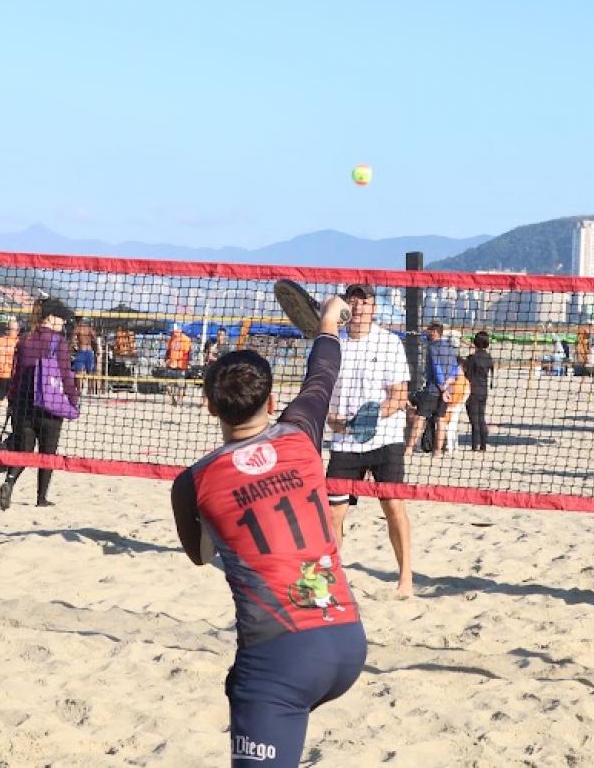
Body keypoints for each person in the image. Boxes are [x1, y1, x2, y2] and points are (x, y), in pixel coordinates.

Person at [170, 295, 364, 768]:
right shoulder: (299, 434)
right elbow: (322, 373)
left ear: (208, 404)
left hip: (283, 655)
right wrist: (328, 321)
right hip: (346, 637)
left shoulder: (193, 482)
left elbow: (200, 555)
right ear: (273, 401)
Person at [325, 283, 414, 598]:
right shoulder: (332, 344)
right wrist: (332, 418)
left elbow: (399, 396)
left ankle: (405, 580)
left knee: (393, 506)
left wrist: (371, 417)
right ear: (346, 306)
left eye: (365, 301)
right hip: (344, 442)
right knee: (333, 513)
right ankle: (334, 578)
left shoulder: (389, 343)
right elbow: (322, 392)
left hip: (385, 439)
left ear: (374, 307)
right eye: (354, 300)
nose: (359, 306)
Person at [0, 299, 78, 510]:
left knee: (24, 451)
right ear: (50, 317)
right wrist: (73, 401)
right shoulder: (58, 342)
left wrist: (12, 401)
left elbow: (16, 376)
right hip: (49, 406)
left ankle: (9, 481)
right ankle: (41, 498)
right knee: (47, 453)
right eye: (61, 317)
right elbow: (66, 376)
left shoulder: (24, 340)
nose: (64, 321)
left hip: (23, 404)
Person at [406, 322, 458, 457]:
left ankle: (409, 449)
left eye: (430, 332)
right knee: (440, 420)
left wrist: (442, 386)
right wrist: (448, 385)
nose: (428, 334)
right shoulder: (452, 349)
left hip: (434, 389)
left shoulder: (432, 348)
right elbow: (455, 369)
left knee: (420, 417)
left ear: (435, 333)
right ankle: (438, 451)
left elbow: (436, 368)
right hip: (448, 390)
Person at [464, 330, 494, 452]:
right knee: (481, 418)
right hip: (484, 390)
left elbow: (468, 375)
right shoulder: (488, 357)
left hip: (473, 390)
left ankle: (474, 445)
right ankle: (483, 445)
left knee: (474, 419)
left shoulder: (473, 358)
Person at [163, 323, 194, 406]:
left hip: (181, 366)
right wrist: (165, 360)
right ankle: (173, 400)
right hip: (171, 365)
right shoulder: (171, 339)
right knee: (168, 385)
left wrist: (188, 363)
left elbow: (188, 353)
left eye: (174, 332)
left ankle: (179, 401)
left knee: (181, 386)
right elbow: (168, 351)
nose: (173, 333)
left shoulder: (186, 340)